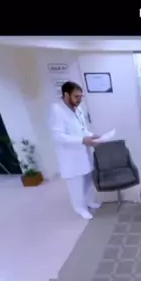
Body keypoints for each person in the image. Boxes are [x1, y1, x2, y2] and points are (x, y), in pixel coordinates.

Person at [49, 81, 102, 220]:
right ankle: (80, 208)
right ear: (66, 95)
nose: (79, 99)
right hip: (71, 157)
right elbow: (58, 136)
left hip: (84, 153)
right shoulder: (57, 110)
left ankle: (90, 201)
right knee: (76, 185)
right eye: (76, 96)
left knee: (88, 180)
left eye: (81, 96)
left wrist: (92, 136)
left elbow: (82, 129)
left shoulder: (78, 109)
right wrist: (82, 140)